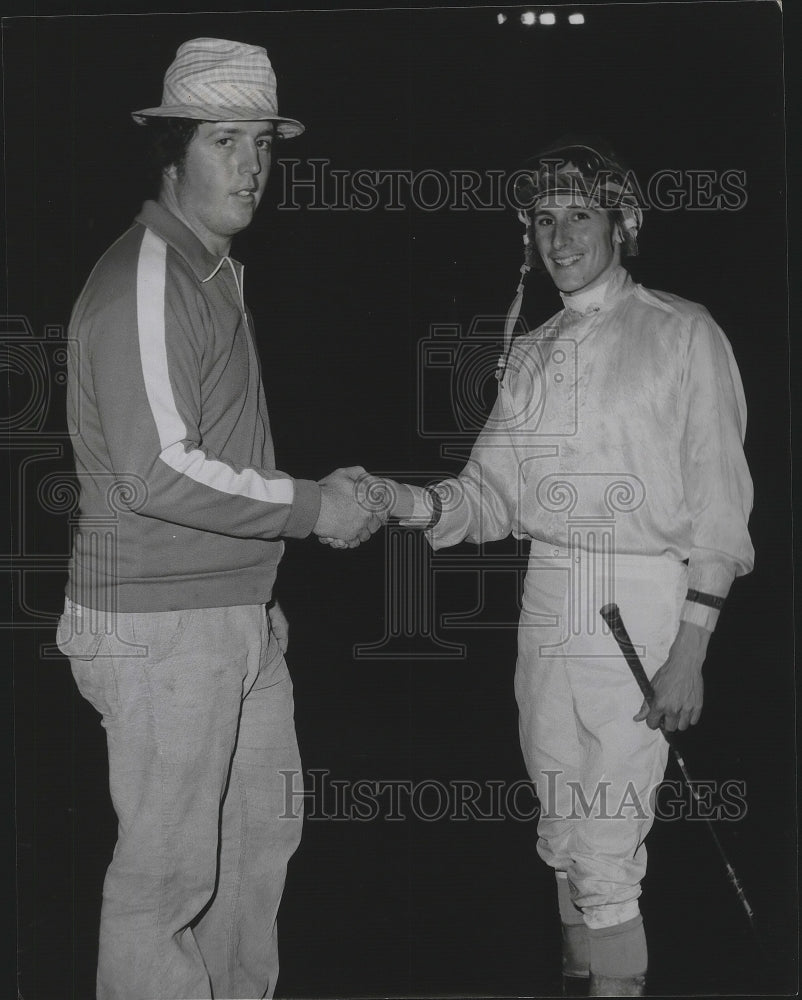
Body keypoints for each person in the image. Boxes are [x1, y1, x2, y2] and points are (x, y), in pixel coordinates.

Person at [359, 138, 754, 996]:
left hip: (642, 598)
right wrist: (400, 501)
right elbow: (488, 495)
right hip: (549, 595)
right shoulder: (532, 351)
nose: (561, 236)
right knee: (561, 825)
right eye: (544, 219)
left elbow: (721, 505)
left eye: (581, 215)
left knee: (609, 846)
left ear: (624, 222)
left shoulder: (683, 332)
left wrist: (691, 648)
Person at [56, 37, 380, 1000]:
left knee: (257, 850)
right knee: (165, 888)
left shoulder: (213, 272)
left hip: (227, 615)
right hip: (161, 625)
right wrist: (318, 506)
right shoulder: (147, 277)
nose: (251, 167)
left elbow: (222, 455)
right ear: (174, 152)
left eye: (263, 145)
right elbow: (157, 473)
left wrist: (257, 593)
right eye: (226, 141)